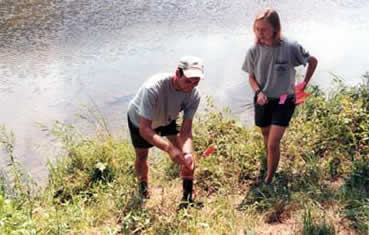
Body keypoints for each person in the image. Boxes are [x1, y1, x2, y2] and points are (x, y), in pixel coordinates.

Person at [242, 9, 318, 184]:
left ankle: (268, 179)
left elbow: (312, 61)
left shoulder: (290, 47)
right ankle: (269, 159)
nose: (259, 33)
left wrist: (304, 83)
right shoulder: (253, 50)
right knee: (265, 134)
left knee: (273, 142)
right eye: (256, 29)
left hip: (285, 101)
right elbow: (251, 77)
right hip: (263, 100)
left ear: (275, 28)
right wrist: (258, 92)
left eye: (264, 29)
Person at [127, 56, 203, 205]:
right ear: (177, 73)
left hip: (168, 117)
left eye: (196, 81)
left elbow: (186, 132)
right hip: (140, 120)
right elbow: (145, 129)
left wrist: (187, 153)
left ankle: (187, 199)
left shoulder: (194, 95)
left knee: (186, 157)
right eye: (188, 80)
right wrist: (169, 149)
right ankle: (143, 189)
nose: (191, 86)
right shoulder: (153, 88)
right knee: (142, 157)